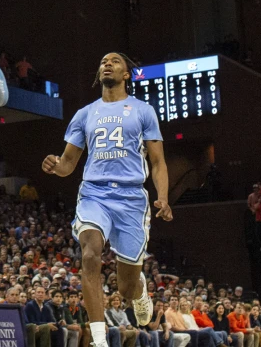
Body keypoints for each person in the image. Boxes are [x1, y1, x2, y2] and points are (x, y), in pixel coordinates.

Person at [42, 52, 172, 347]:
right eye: (102, 61)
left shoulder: (142, 111)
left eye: (114, 61)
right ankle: (100, 341)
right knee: (89, 254)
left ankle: (138, 289)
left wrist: (163, 197)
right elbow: (68, 164)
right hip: (94, 193)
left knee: (124, 288)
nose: (107, 63)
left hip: (131, 198)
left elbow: (158, 161)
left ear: (127, 74)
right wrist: (55, 165)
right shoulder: (85, 114)